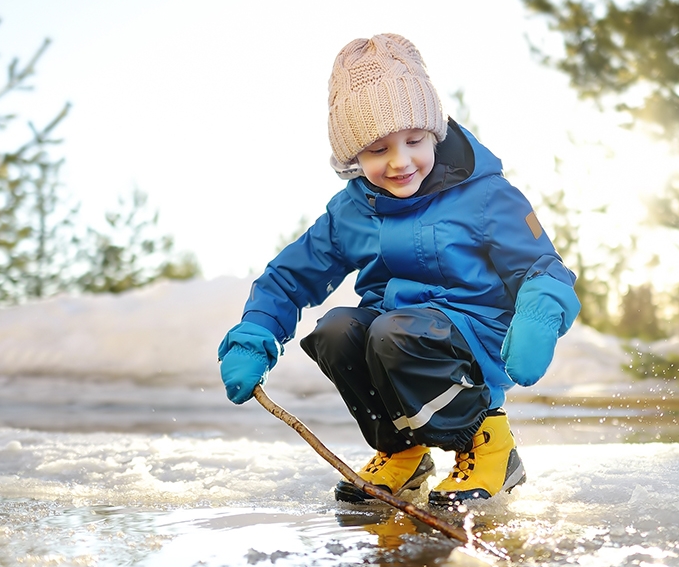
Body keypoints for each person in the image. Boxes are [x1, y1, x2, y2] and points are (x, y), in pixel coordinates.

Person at [217, 33, 580, 508]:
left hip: (476, 339)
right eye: (377, 149)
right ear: (351, 157)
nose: (400, 161)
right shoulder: (351, 211)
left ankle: (489, 443)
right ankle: (401, 450)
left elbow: (542, 265)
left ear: (435, 133)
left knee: (395, 332)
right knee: (338, 329)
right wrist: (253, 334)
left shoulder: (487, 196)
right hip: (398, 337)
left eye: (413, 140)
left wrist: (538, 316)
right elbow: (290, 276)